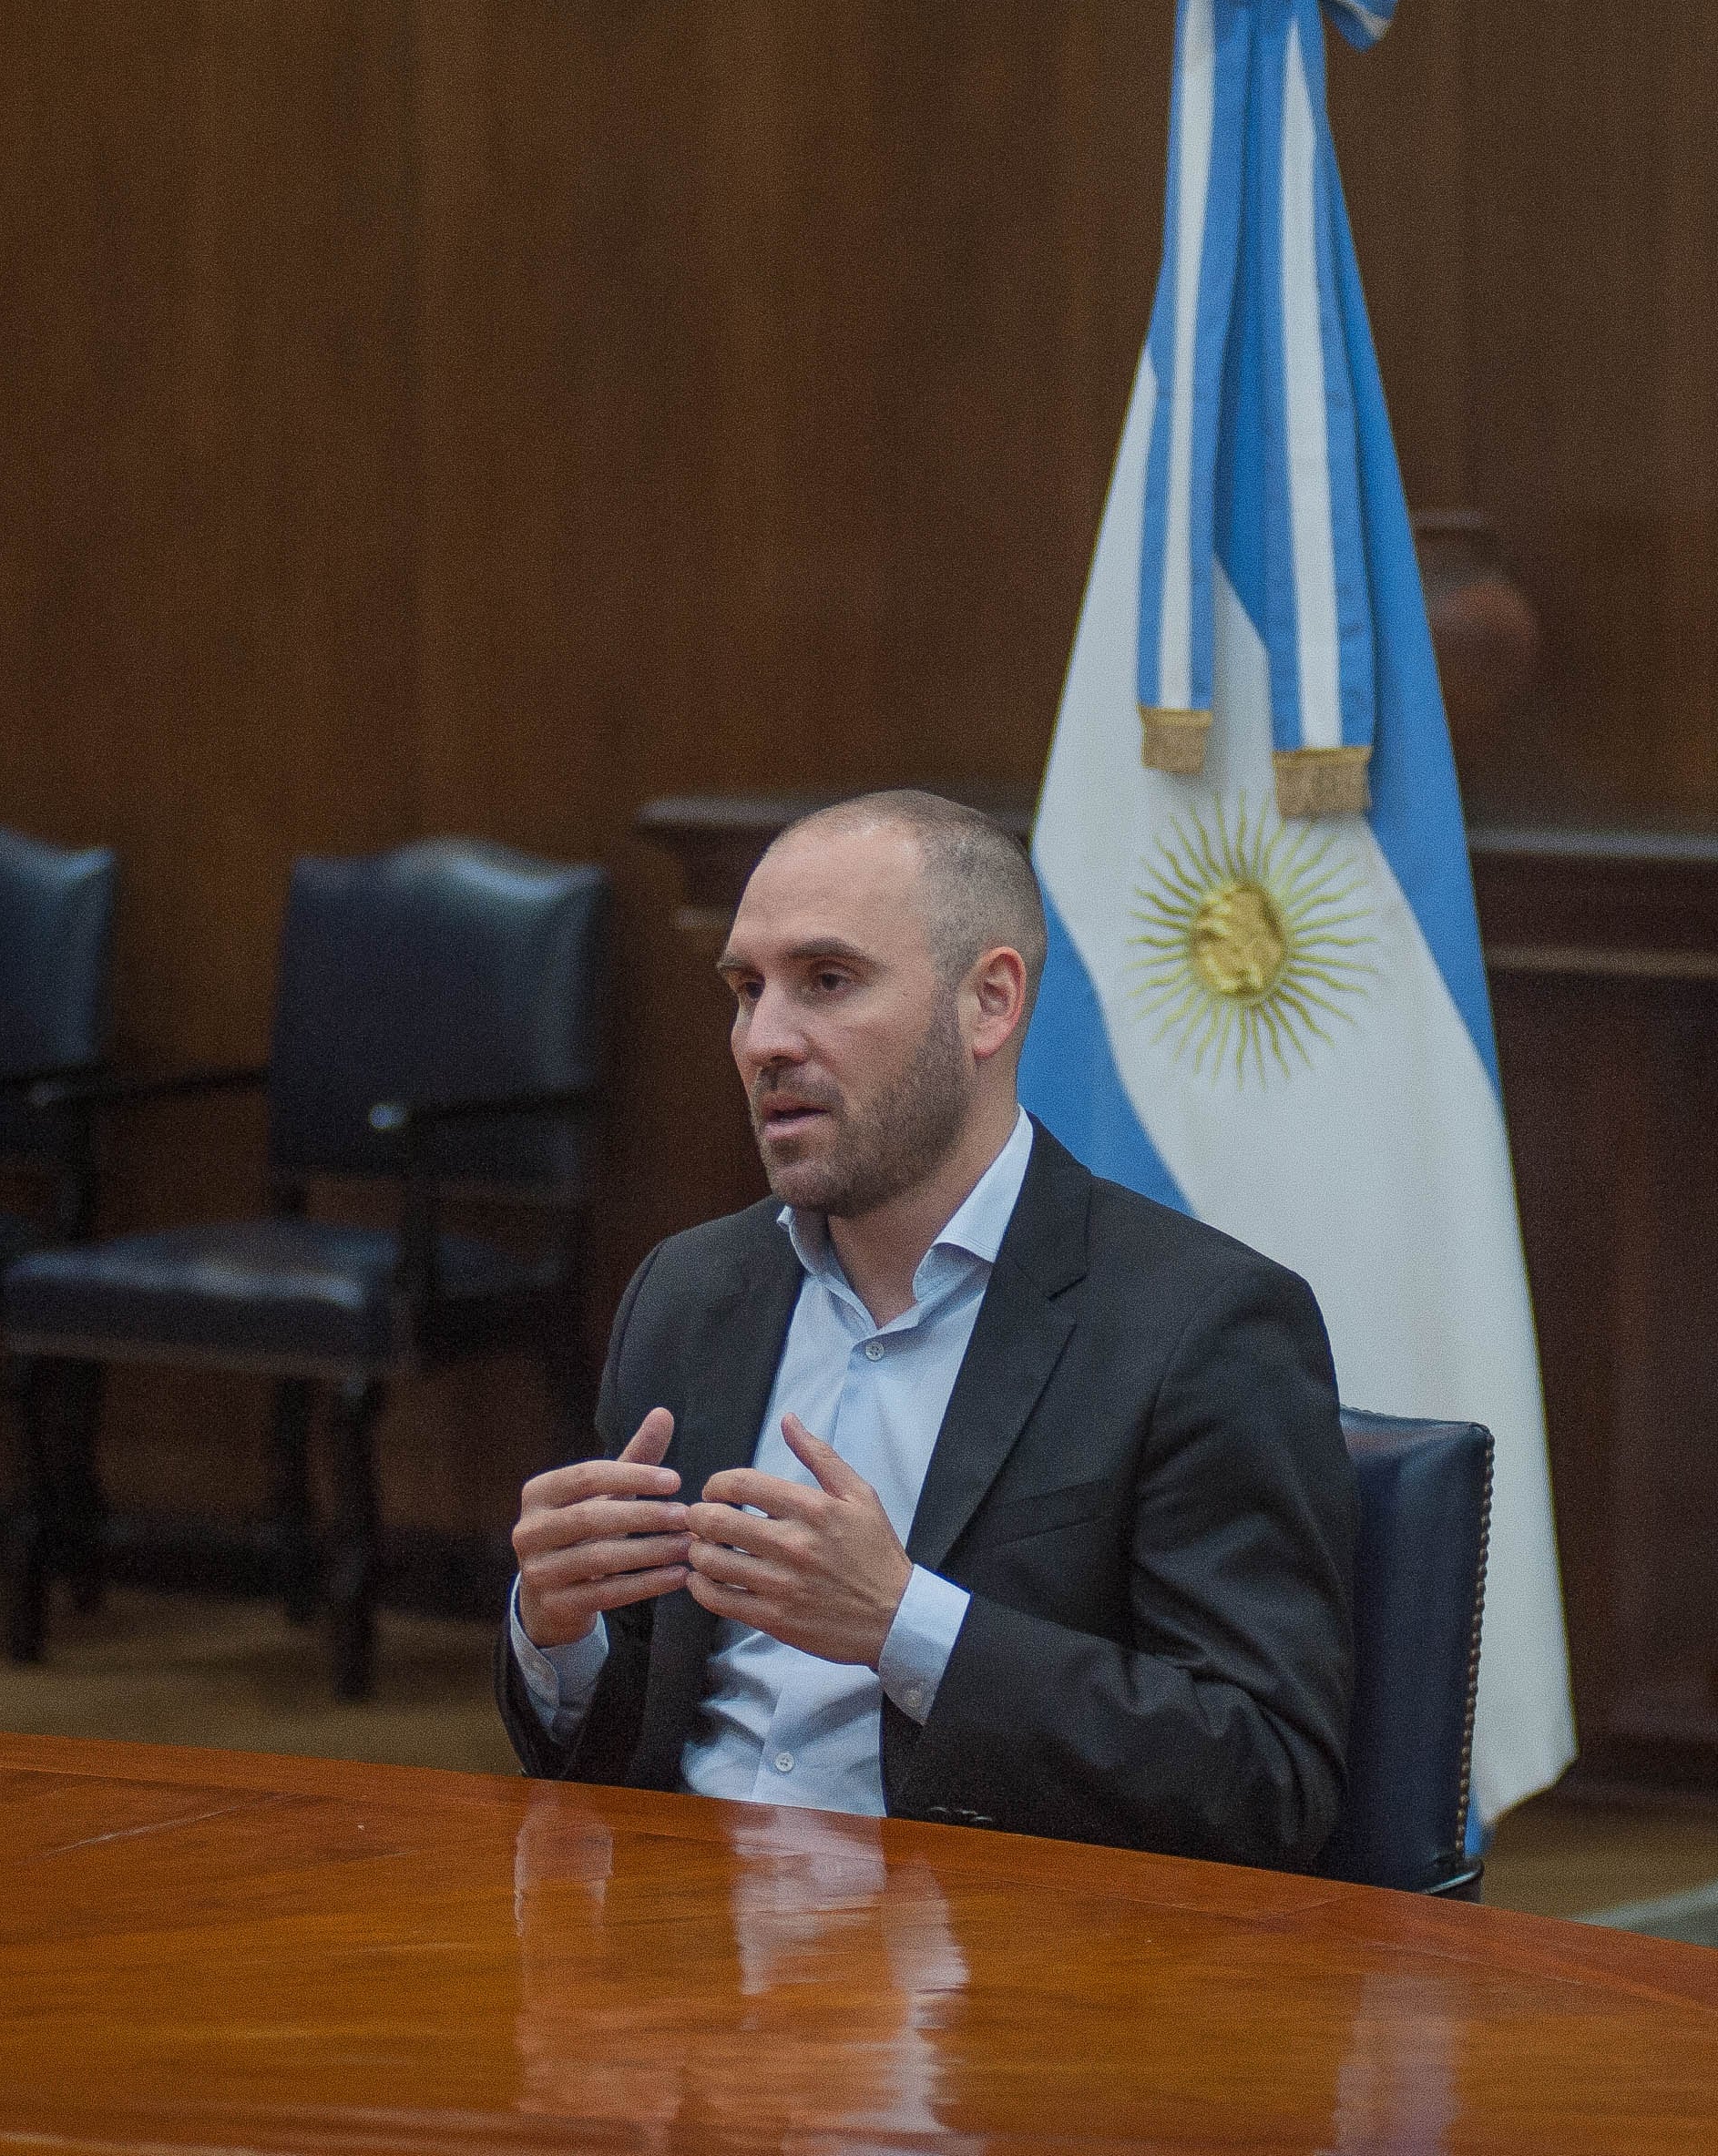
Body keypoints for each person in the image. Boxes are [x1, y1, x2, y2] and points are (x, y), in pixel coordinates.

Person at [495, 789, 1356, 1870]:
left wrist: (905, 1626)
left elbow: (1265, 1779)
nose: (764, 1040)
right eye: (746, 990)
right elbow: (623, 1745)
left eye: (827, 982)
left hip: (982, 1979)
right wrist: (556, 1631)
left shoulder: (1198, 1325)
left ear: (989, 1003)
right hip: (671, 1958)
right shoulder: (690, 1292)